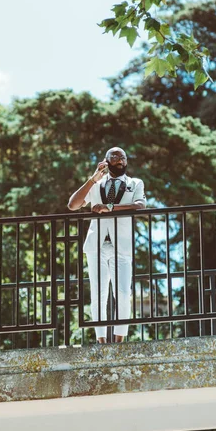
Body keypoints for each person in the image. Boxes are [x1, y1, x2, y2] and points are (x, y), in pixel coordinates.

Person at [68, 147, 146, 343]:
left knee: (123, 293)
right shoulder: (96, 184)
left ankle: (119, 342)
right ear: (106, 161)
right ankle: (101, 342)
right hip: (97, 245)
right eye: (115, 157)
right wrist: (93, 179)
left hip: (123, 245)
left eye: (123, 158)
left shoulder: (135, 183)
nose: (121, 160)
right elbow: (73, 205)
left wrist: (109, 207)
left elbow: (140, 205)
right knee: (98, 293)